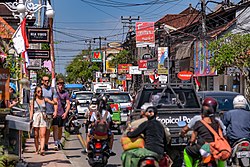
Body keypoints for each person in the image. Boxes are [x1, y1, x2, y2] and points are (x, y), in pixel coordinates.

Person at [183, 97, 225, 167]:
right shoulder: (217, 121)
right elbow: (223, 133)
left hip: (204, 148)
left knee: (186, 151)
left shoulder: (198, 121)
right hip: (215, 147)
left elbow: (192, 139)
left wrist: (191, 142)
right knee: (221, 154)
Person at [29, 86, 57, 156]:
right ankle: (37, 148)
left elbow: (52, 102)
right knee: (36, 135)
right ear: (35, 92)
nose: (40, 92)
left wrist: (55, 102)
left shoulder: (44, 99)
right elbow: (31, 110)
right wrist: (30, 120)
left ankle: (42, 149)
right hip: (36, 117)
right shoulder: (33, 100)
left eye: (41, 91)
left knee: (43, 134)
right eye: (38, 91)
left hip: (43, 117)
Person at [41, 75, 58, 151]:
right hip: (41, 112)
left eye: (48, 80)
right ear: (42, 81)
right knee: (40, 130)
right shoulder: (40, 90)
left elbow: (55, 101)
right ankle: (41, 145)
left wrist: (55, 111)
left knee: (47, 129)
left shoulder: (52, 90)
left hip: (49, 112)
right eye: (45, 81)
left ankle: (45, 144)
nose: (47, 82)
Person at [55, 78, 70, 150]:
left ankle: (58, 141)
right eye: (59, 84)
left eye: (62, 84)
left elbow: (68, 104)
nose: (61, 86)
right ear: (57, 85)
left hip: (61, 113)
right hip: (55, 113)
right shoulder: (54, 93)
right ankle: (56, 143)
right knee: (55, 127)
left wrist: (66, 113)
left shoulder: (65, 93)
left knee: (60, 128)